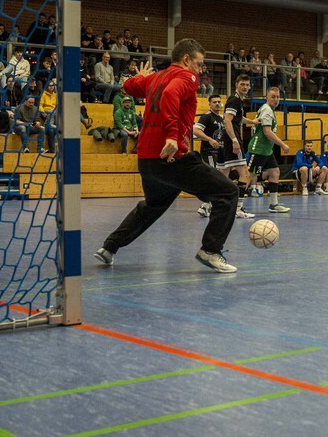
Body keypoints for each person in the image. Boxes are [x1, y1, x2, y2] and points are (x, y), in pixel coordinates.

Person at [94, 39, 241, 273]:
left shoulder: (156, 77)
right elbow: (171, 94)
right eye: (199, 64)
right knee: (228, 192)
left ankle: (109, 247)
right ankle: (211, 250)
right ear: (186, 60)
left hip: (147, 160)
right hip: (171, 157)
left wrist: (139, 78)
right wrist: (172, 136)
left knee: (153, 206)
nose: (200, 70)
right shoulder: (187, 77)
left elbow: (128, 87)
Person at [246, 86, 291, 214]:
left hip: (267, 150)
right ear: (267, 98)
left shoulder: (269, 110)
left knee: (275, 172)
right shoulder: (267, 110)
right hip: (259, 149)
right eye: (273, 97)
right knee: (248, 177)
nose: (276, 99)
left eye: (277, 97)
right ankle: (237, 206)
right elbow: (267, 132)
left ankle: (273, 204)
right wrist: (282, 144)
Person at [218, 76, 257, 220]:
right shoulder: (234, 100)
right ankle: (238, 208)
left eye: (247, 85)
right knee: (244, 173)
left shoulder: (237, 100)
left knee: (223, 175)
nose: (245, 87)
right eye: (242, 84)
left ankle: (215, 205)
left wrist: (253, 121)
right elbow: (227, 120)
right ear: (236, 85)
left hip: (225, 140)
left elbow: (238, 119)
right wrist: (234, 140)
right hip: (231, 139)